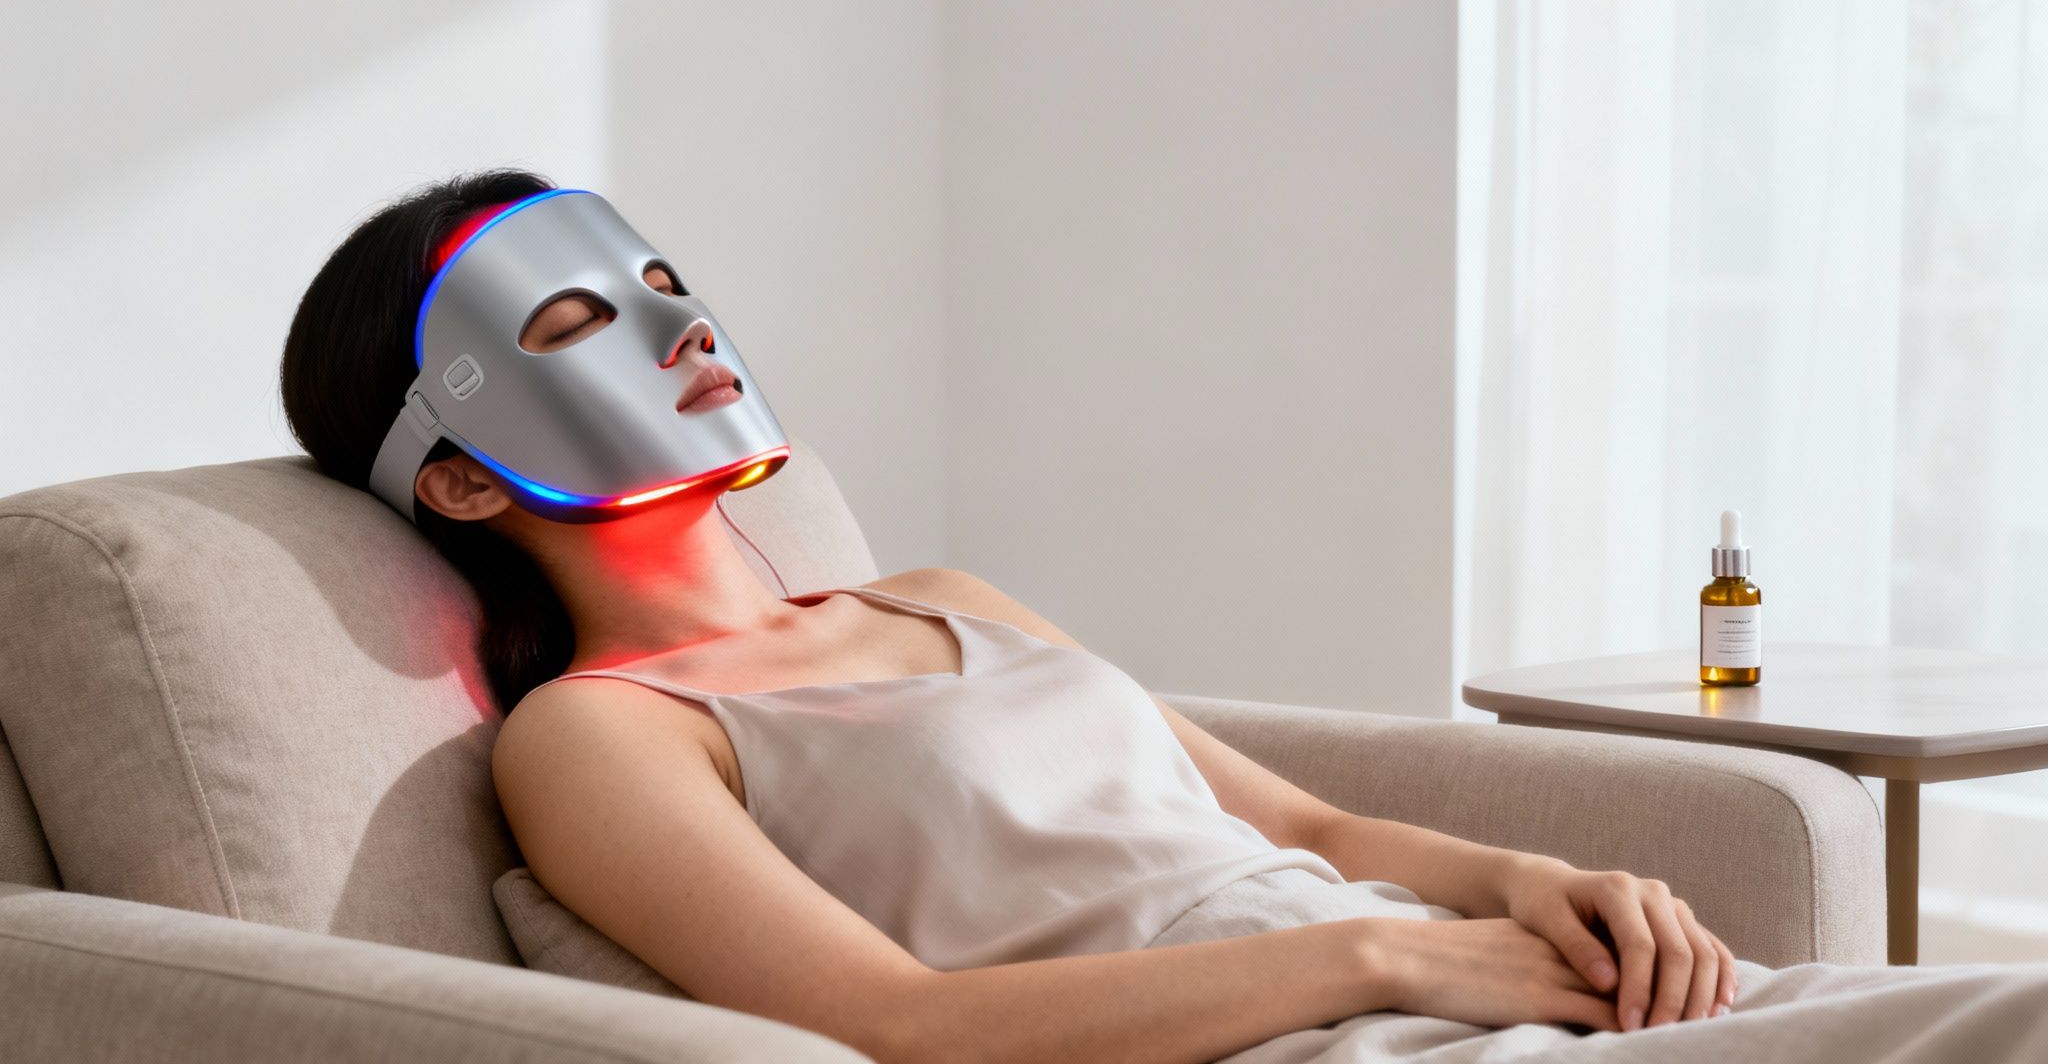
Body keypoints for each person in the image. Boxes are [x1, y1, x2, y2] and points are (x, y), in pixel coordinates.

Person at [279, 169, 2048, 1064]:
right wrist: (1392, 956)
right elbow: (906, 1026)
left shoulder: (937, 596)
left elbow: (1307, 828)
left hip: (1486, 996)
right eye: (586, 324)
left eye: (667, 282)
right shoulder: (605, 733)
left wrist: (1530, 887)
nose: (679, 327)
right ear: (455, 472)